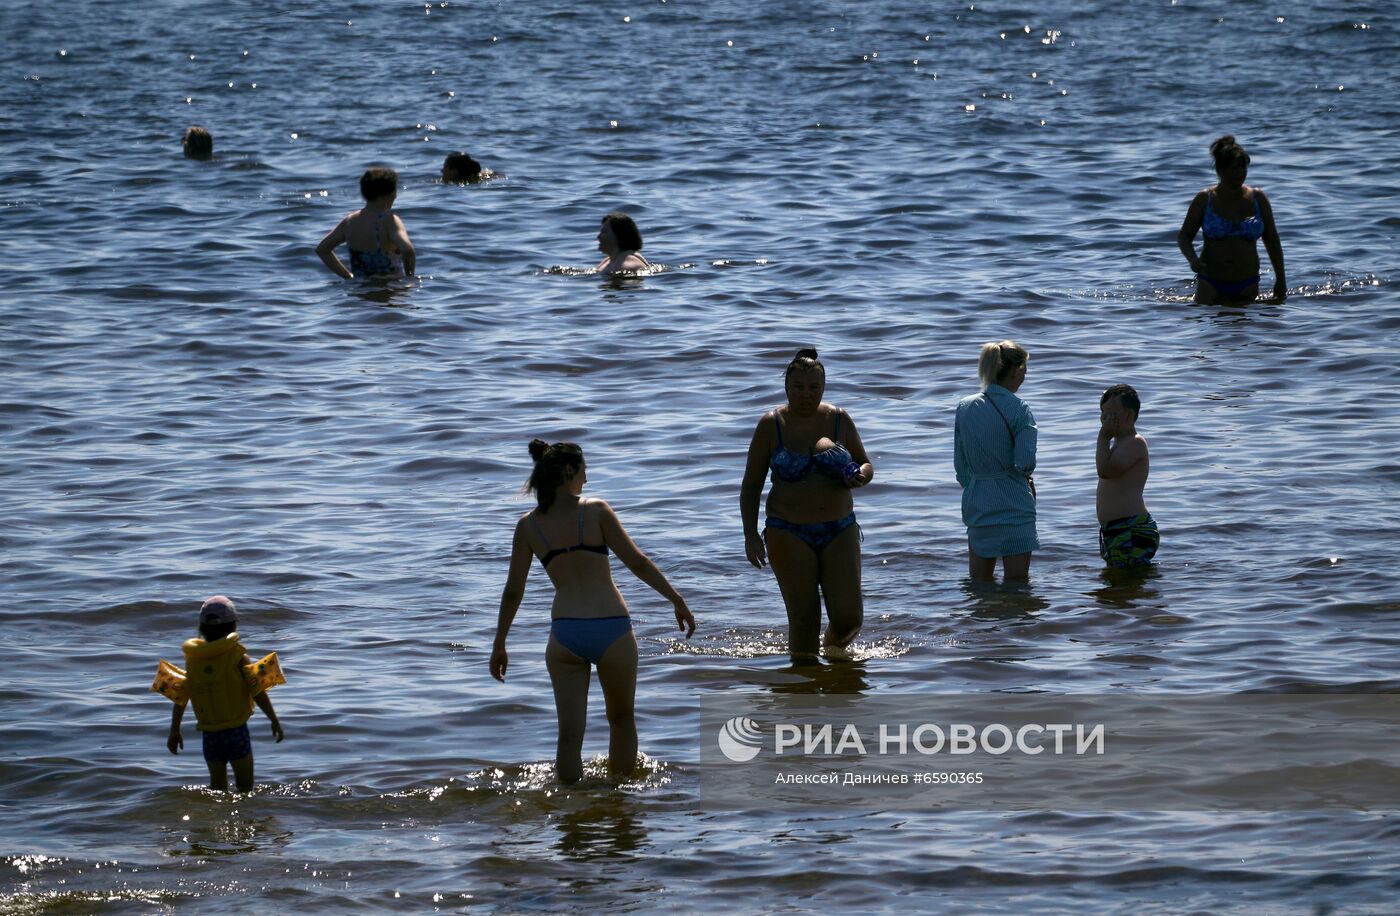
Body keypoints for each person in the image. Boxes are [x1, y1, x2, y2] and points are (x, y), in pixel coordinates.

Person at [490, 440, 695, 784]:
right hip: (611, 629)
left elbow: (513, 591)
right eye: (584, 470)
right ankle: (619, 802)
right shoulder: (596, 510)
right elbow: (638, 563)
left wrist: (499, 643)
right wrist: (676, 599)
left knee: (569, 733)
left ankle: (571, 814)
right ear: (569, 471)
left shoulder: (528, 525)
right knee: (621, 719)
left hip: (565, 635)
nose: (587, 478)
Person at [740, 348, 873, 661]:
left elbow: (865, 463)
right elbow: (751, 485)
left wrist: (860, 477)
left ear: (823, 388)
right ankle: (802, 692)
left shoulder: (838, 420)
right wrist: (749, 533)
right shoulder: (771, 426)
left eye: (813, 387)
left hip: (839, 528)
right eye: (798, 387)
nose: (806, 395)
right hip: (787, 530)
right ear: (786, 387)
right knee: (804, 617)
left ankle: (832, 655)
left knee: (849, 618)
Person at [160, 596, 285, 792]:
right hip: (236, 732)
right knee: (245, 788)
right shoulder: (238, 657)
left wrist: (174, 730)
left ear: (201, 628)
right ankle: (245, 820)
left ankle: (216, 819)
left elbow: (180, 698)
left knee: (217, 789)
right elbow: (258, 692)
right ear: (233, 625)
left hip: (210, 736)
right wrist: (274, 719)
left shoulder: (193, 661)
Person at [954, 341, 1039, 582]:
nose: (1025, 375)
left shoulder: (965, 407)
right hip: (1013, 503)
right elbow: (1025, 462)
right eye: (1025, 369)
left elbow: (961, 467)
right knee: (1017, 586)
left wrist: (979, 486)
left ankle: (981, 620)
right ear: (1016, 370)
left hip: (978, 502)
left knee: (979, 586)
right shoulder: (1020, 409)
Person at [1177, 135, 1286, 304]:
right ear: (1220, 170)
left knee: (1254, 329)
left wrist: (1281, 279)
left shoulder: (1258, 198)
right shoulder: (1205, 199)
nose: (1240, 173)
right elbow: (1184, 236)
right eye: (1234, 168)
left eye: (1243, 168)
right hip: (1210, 282)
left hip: (1248, 282)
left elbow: (1272, 239)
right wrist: (1192, 259)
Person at [1096, 384, 1159, 569]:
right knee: (1119, 587)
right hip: (1117, 529)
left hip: (1131, 529)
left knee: (1126, 582)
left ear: (1129, 415)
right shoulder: (1118, 445)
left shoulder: (1135, 443)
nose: (1105, 418)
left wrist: (1103, 437)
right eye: (1102, 412)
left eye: (1111, 413)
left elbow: (1105, 470)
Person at [316, 167, 416, 279]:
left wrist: (348, 276)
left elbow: (322, 250)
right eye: (395, 192)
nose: (396, 196)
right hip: (390, 289)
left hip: (360, 291)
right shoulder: (390, 220)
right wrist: (409, 276)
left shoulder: (350, 222)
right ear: (386, 194)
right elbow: (407, 250)